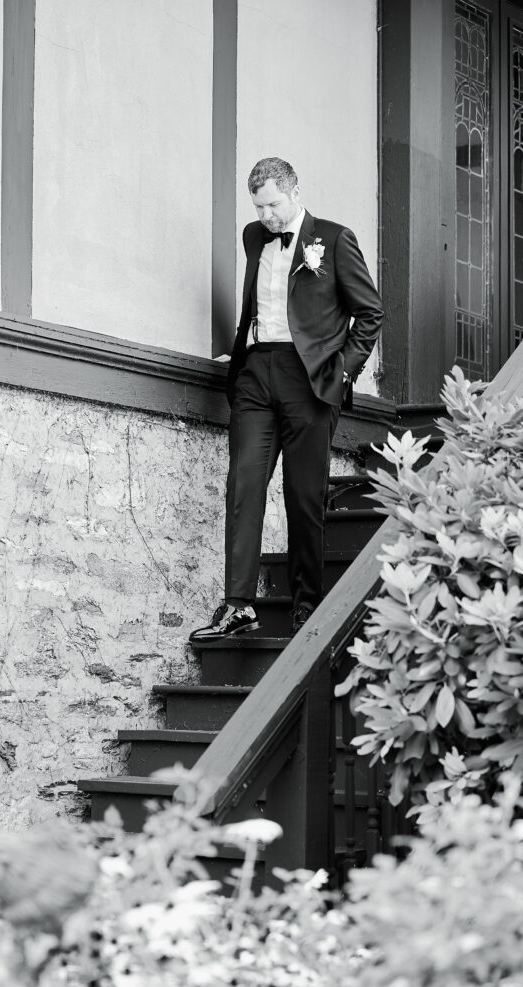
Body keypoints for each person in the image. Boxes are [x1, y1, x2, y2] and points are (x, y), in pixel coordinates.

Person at [190, 157, 383, 643]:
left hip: (311, 381)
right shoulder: (254, 237)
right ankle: (238, 605)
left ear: (295, 192)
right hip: (257, 372)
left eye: (274, 205)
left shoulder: (335, 240)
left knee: (302, 495)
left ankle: (305, 605)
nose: (266, 217)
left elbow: (370, 314)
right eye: (259, 208)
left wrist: (343, 374)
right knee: (245, 484)